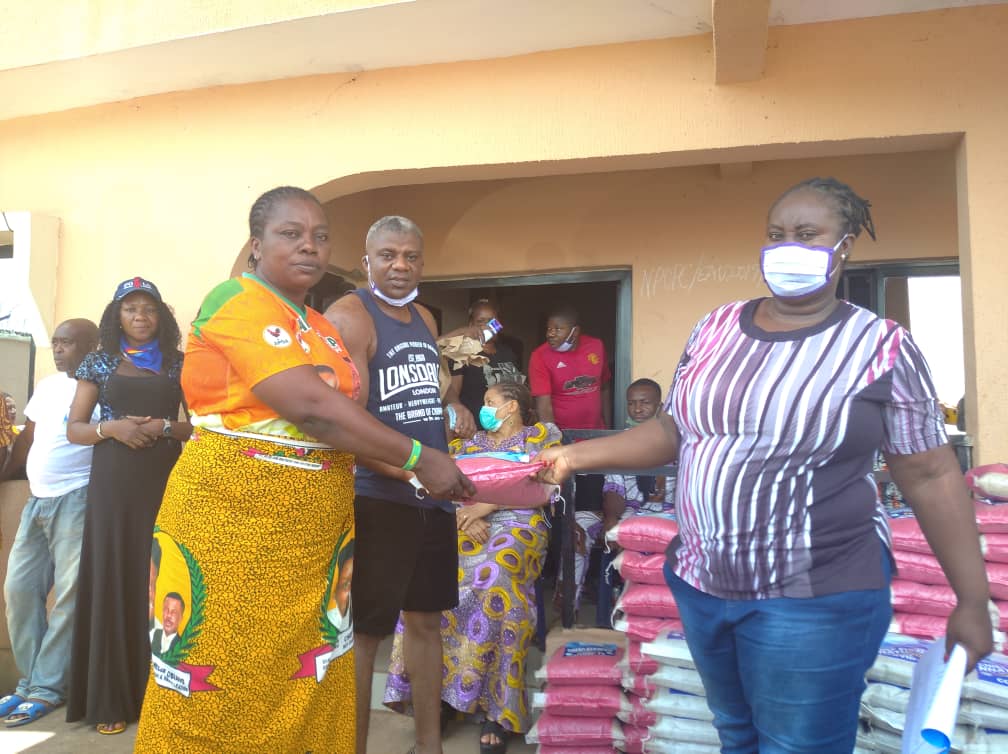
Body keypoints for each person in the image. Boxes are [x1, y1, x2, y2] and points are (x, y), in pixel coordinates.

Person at [535, 177, 993, 753]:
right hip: (704, 584)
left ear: (844, 245)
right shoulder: (717, 327)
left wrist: (971, 600)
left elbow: (929, 474)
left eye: (807, 234)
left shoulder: (881, 347)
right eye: (776, 234)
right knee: (737, 735)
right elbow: (673, 430)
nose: (786, 247)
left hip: (815, 597)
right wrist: (574, 456)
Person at [134, 188, 472, 754]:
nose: (309, 247)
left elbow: (347, 416)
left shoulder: (316, 322)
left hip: (315, 530)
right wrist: (417, 459)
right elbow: (315, 409)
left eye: (319, 237)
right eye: (291, 234)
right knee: (226, 663)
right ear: (256, 244)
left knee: (309, 669)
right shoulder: (235, 300)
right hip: (236, 517)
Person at [325, 214, 477, 754]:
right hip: (377, 496)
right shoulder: (348, 315)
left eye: (411, 256)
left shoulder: (424, 318)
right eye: (388, 255)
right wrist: (416, 469)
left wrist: (452, 403)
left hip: (429, 495)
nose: (400, 265)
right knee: (364, 635)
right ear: (366, 260)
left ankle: (429, 745)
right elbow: (346, 424)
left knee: (426, 624)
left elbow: (426, 390)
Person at [384, 382, 561, 754]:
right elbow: (441, 483)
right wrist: (462, 515)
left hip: (518, 521)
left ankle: (499, 710)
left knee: (493, 577)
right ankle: (442, 700)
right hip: (462, 520)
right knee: (428, 583)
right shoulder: (466, 444)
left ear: (511, 407)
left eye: (490, 402)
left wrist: (487, 506)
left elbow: (545, 479)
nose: (483, 409)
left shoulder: (540, 435)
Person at [65, 278, 189, 736]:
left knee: (162, 579)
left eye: (149, 309)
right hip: (114, 485)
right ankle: (111, 697)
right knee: (115, 577)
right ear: (117, 315)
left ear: (162, 316)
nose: (140, 317)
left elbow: (198, 428)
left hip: (166, 483)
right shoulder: (98, 361)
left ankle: (163, 692)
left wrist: (163, 426)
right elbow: (75, 428)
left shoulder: (179, 363)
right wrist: (111, 429)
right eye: (131, 309)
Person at [0, 319, 98, 727]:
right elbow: (29, 437)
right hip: (37, 501)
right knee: (19, 590)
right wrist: (8, 473)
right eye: (55, 342)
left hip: (78, 498)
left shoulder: (103, 388)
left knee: (69, 599)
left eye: (67, 343)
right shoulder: (49, 385)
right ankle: (32, 683)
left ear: (92, 346)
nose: (58, 350)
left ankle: (46, 688)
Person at [570, 378, 677, 621]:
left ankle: (663, 615)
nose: (637, 409)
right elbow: (614, 488)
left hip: (671, 514)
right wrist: (611, 518)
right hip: (630, 513)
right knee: (589, 530)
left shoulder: (679, 440)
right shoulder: (623, 442)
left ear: (659, 407)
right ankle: (578, 612)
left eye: (645, 403)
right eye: (631, 404)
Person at [528, 305, 612, 608]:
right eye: (548, 328)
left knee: (590, 508)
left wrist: (607, 428)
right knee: (560, 511)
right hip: (563, 446)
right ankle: (559, 578)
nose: (551, 334)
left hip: (595, 442)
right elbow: (544, 404)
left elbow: (603, 387)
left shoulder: (596, 347)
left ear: (575, 330)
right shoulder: (540, 356)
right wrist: (555, 443)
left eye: (558, 328)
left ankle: (584, 578)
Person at [448, 299, 525, 421]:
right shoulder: (462, 353)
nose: (486, 326)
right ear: (471, 325)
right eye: (480, 321)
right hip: (476, 428)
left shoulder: (508, 353)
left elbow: (518, 388)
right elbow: (452, 394)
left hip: (508, 426)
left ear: (498, 323)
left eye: (491, 321)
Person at [150, 593, 184, 658]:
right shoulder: (152, 634)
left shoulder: (182, 646)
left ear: (180, 618)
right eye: (166, 609)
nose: (168, 615)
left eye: (173, 612)